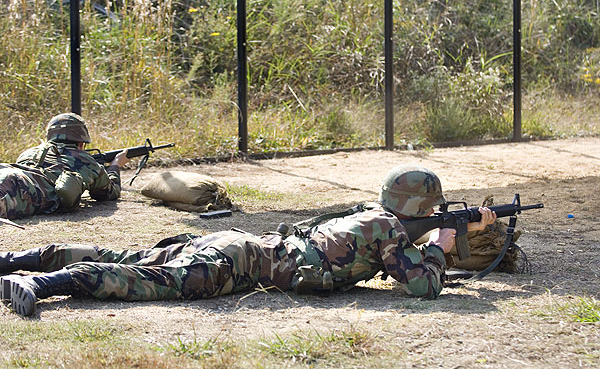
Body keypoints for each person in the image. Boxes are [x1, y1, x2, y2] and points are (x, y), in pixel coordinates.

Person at [0, 165, 497, 317]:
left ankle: (15, 258)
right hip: (241, 262)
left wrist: (434, 234)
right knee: (151, 280)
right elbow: (420, 288)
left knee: (127, 254)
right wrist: (441, 245)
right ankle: (43, 283)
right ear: (421, 209)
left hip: (238, 242)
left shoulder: (369, 217)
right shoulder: (391, 231)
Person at [0, 113, 130, 220]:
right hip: (23, 189)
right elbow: (110, 193)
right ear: (80, 142)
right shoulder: (86, 161)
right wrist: (115, 165)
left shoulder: (29, 152)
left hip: (7, 171)